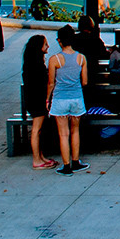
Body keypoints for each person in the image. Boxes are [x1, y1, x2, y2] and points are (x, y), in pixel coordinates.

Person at [47, 25, 90, 175]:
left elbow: (51, 82)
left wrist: (47, 99)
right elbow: (84, 82)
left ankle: (66, 166)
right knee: (75, 131)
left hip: (60, 99)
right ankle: (76, 161)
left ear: (59, 41)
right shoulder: (81, 58)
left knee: (63, 134)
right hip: (77, 98)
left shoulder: (54, 59)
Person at [23, 35, 57, 170]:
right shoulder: (37, 65)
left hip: (33, 99)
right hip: (37, 100)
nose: (47, 46)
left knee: (39, 130)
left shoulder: (30, 63)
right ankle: (36, 160)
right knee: (36, 130)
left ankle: (40, 156)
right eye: (45, 44)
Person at [73, 15, 109, 82]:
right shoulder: (96, 40)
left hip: (76, 71)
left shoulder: (74, 39)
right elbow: (104, 54)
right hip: (91, 71)